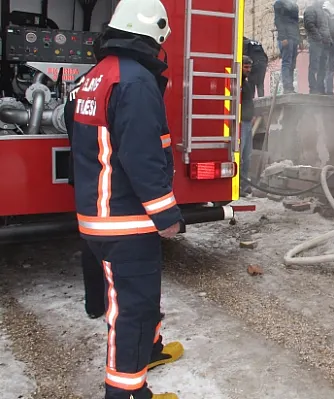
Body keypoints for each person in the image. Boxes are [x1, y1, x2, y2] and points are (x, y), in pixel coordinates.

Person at [69, 0, 184, 398]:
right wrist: (166, 213)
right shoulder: (134, 81)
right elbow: (141, 154)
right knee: (132, 309)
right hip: (125, 221)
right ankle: (128, 392)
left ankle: (148, 350)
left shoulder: (98, 75)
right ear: (153, 34)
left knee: (138, 295)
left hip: (101, 217)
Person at [65, 72, 106, 320]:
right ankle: (112, 304)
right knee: (114, 245)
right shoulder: (107, 90)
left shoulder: (78, 94)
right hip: (104, 174)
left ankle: (95, 304)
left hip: (83, 173)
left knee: (90, 240)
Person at [303, 0, 331, 94]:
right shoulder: (310, 10)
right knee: (314, 66)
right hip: (316, 42)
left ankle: (320, 88)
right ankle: (313, 88)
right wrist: (319, 37)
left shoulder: (324, 12)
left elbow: (327, 28)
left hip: (325, 43)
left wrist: (329, 40)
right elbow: (309, 25)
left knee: (323, 67)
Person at [273, 0, 300, 94]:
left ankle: (291, 87)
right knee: (287, 63)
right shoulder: (279, 3)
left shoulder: (294, 6)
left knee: (292, 64)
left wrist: (299, 39)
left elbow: (296, 24)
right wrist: (283, 37)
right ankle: (287, 87)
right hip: (286, 37)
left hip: (294, 38)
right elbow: (278, 20)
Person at [240, 56, 256, 196]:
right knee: (240, 156)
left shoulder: (247, 83)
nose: (248, 70)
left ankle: (245, 186)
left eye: (250, 67)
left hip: (248, 123)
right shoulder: (237, 83)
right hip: (240, 124)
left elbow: (249, 102)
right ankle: (238, 186)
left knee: (247, 156)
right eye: (246, 67)